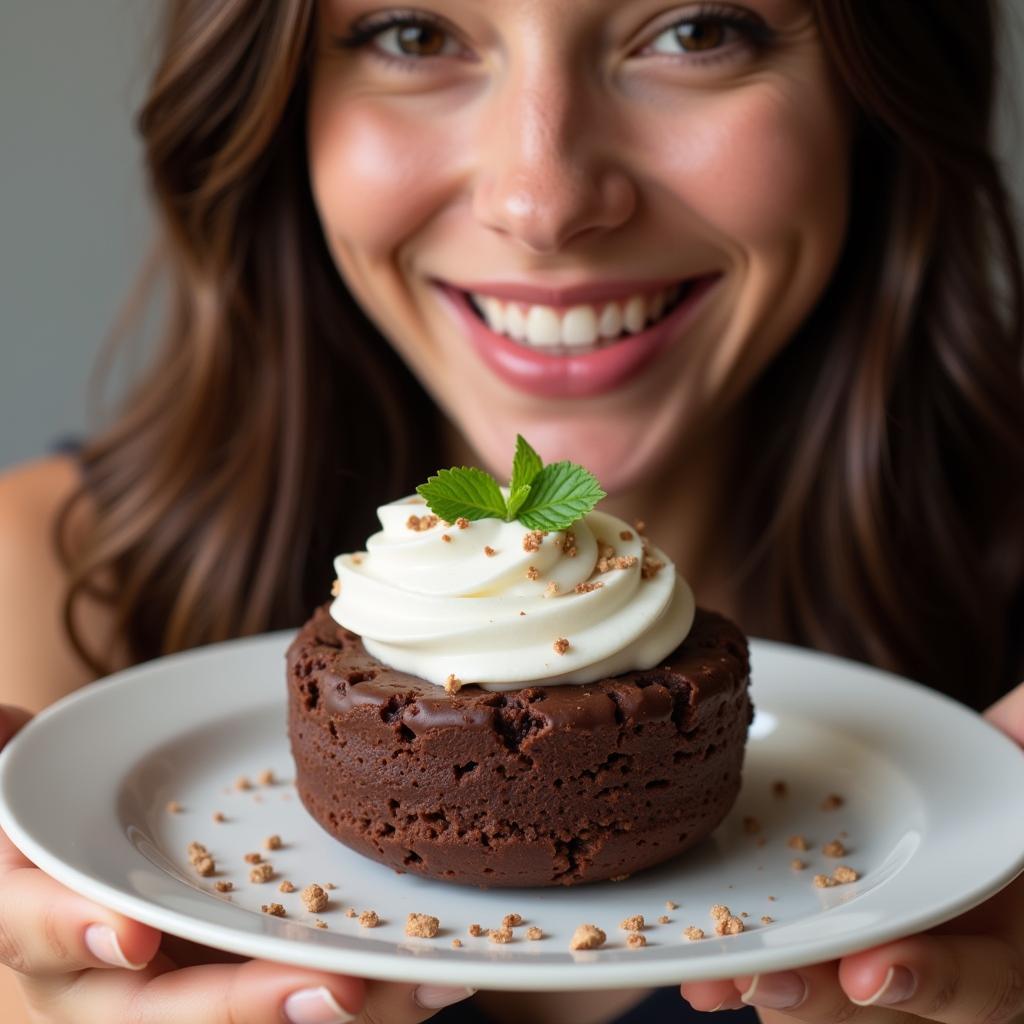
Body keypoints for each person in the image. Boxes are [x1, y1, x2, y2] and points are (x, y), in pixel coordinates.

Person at [1, 0, 1022, 1022]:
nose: (542, 199)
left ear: (874, 97)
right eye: (413, 34)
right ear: (276, 108)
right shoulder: (40, 579)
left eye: (697, 30)